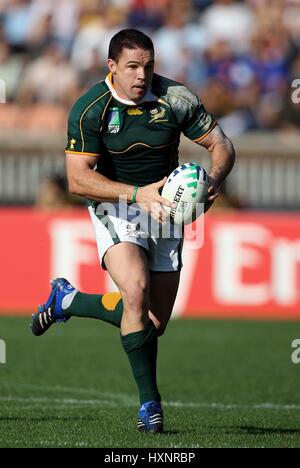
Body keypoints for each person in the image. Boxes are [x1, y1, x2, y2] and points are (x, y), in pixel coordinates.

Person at [31, 28, 235, 433]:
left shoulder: (176, 98)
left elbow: (222, 144)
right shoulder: (90, 109)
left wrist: (214, 180)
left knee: (153, 322)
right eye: (133, 67)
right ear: (112, 67)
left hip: (168, 210)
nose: (142, 75)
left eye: (149, 66)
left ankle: (67, 301)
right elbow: (77, 180)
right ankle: (150, 407)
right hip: (117, 206)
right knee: (135, 292)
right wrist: (137, 194)